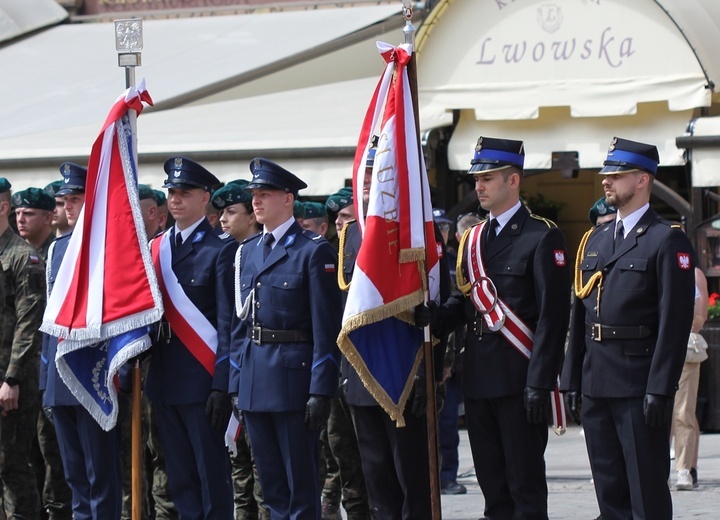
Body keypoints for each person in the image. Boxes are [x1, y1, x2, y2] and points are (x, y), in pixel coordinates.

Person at [429, 137, 571, 520]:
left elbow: (552, 319)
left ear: (513, 181)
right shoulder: (473, 238)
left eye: (488, 178)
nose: (479, 186)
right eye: (477, 178)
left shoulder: (542, 236)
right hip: (478, 378)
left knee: (523, 485)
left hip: (519, 378)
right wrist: (436, 317)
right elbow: (467, 300)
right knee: (492, 487)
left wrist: (539, 383)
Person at [560, 137, 696, 520]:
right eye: (606, 174)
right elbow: (580, 313)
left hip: (638, 384)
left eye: (617, 175)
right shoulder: (595, 239)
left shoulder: (666, 239)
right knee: (609, 493)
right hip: (596, 381)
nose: (607, 181)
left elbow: (675, 322)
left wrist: (660, 387)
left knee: (645, 494)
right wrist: (571, 379)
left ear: (642, 180)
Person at [339, 141, 449, 520]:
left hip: (406, 375)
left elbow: (441, 309)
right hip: (361, 375)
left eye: (377, 172)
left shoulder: (418, 233)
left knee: (413, 486)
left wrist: (427, 372)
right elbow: (344, 311)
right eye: (365, 173)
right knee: (377, 485)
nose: (369, 181)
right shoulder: (351, 234)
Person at [230, 157, 342, 519]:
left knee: (300, 484)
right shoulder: (247, 251)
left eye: (265, 194)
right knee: (270, 484)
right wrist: (235, 380)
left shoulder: (313, 249)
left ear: (288, 198)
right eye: (254, 195)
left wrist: (321, 389)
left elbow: (326, 327)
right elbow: (240, 324)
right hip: (255, 378)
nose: (257, 202)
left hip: (294, 378)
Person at [146, 156, 233, 519]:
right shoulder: (156, 248)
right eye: (171, 192)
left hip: (202, 379)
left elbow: (229, 324)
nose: (175, 199)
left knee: (211, 475)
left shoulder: (222, 249)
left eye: (184, 192)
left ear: (204, 197)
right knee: (179, 477)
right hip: (165, 377)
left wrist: (222, 384)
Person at [40, 162, 124, 520]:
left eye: (76, 199)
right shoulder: (57, 249)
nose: (68, 207)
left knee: (100, 475)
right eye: (64, 200)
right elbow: (49, 318)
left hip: (94, 369)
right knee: (74, 474)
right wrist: (45, 381)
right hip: (60, 373)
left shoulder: (109, 248)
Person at [212, 180, 268, 520]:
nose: (222, 220)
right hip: (240, 370)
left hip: (265, 370)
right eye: (220, 213)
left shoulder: (261, 251)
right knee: (241, 470)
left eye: (231, 212)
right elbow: (228, 324)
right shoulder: (227, 256)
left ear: (251, 217)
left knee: (265, 470)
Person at [319, 186, 370, 520]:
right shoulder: (324, 255)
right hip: (337, 372)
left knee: (373, 457)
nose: (339, 223)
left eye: (346, 217)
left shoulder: (369, 257)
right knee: (340, 451)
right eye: (336, 217)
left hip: (369, 372)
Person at [0, 179, 44, 519]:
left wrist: (12, 377)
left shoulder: (21, 257)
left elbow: (29, 323)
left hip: (10, 381)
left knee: (12, 465)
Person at [437, 211, 481, 497]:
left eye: (443, 226)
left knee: (449, 423)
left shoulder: (454, 264)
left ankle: (447, 475)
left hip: (453, 358)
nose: (440, 230)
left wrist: (451, 361)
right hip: (429, 355)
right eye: (436, 225)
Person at [672, 265, 708, 490]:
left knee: (683, 409)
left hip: (682, 346)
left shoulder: (691, 273)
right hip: (650, 348)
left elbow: (700, 317)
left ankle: (685, 468)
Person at [13, 187, 56, 258]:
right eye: (17, 213)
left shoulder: (60, 250)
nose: (20, 220)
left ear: (48, 218)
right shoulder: (12, 251)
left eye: (28, 214)